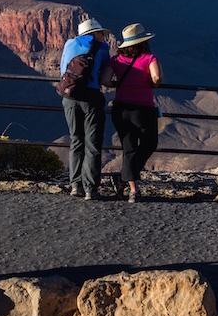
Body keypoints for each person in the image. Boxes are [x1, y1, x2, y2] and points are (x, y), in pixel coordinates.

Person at [101, 22, 163, 203]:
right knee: (149, 144)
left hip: (121, 109)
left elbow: (104, 79)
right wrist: (151, 84)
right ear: (143, 42)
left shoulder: (116, 60)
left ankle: (132, 189)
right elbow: (157, 77)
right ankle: (127, 180)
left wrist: (119, 84)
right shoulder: (149, 58)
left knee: (129, 148)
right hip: (143, 109)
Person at [60, 17, 112, 200]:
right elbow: (105, 74)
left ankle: (75, 185)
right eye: (101, 33)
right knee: (92, 143)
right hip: (91, 97)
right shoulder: (102, 48)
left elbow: (63, 70)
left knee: (76, 140)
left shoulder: (69, 44)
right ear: (95, 33)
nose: (103, 37)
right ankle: (90, 189)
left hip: (70, 96)